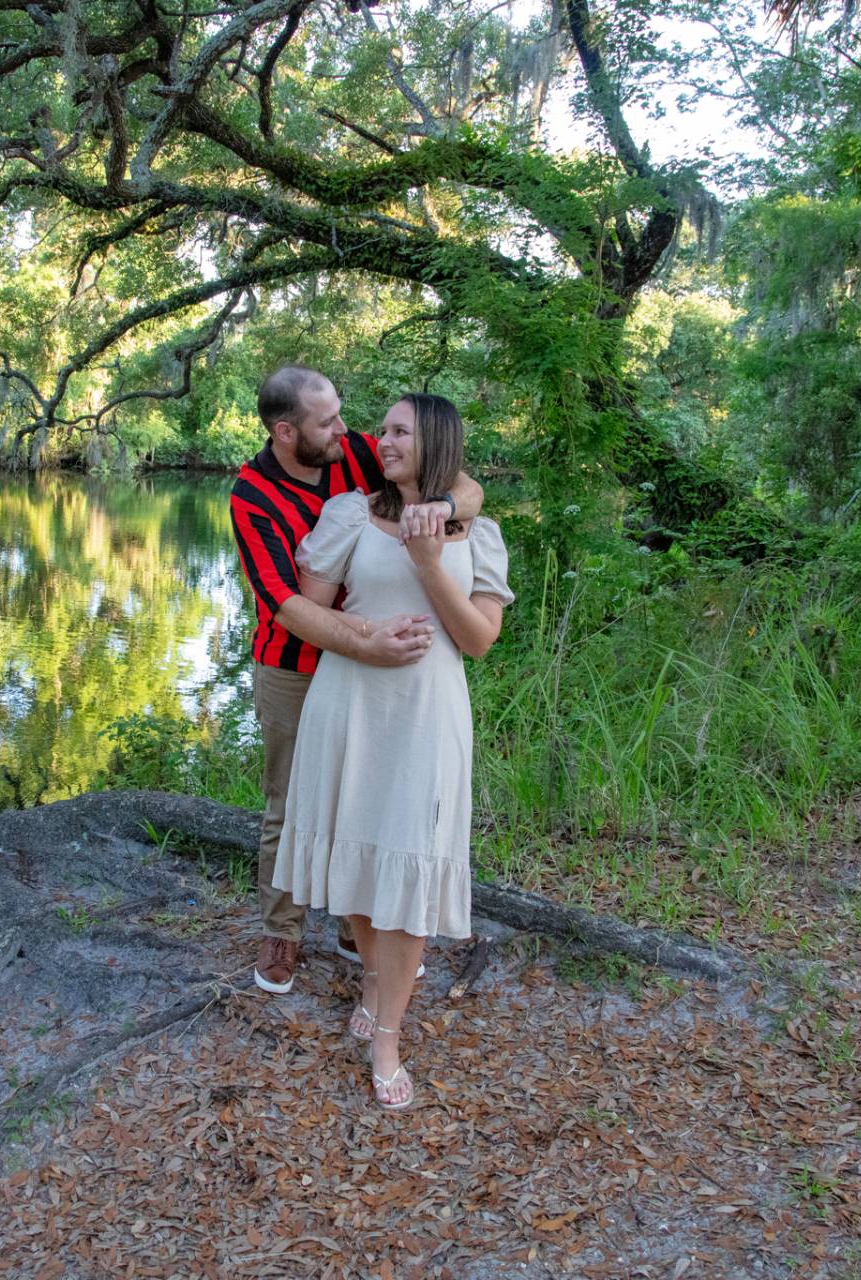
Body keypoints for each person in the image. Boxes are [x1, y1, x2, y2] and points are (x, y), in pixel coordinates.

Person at [270, 392, 512, 1110]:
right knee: (357, 851)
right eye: (385, 428)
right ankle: (374, 976)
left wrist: (431, 561)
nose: (384, 438)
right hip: (349, 702)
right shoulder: (348, 514)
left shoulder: (480, 534)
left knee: (409, 865)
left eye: (401, 430)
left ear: (435, 442)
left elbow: (477, 641)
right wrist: (365, 640)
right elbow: (307, 613)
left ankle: (387, 1034)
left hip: (426, 713)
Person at [230, 366, 483, 995]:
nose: (348, 429)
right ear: (286, 433)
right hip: (293, 663)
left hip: (379, 668)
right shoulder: (252, 496)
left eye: (342, 413)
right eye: (328, 421)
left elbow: (463, 483)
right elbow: (284, 602)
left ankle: (357, 924)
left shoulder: (360, 453)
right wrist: (364, 640)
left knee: (366, 792)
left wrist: (442, 511)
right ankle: (282, 931)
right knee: (290, 801)